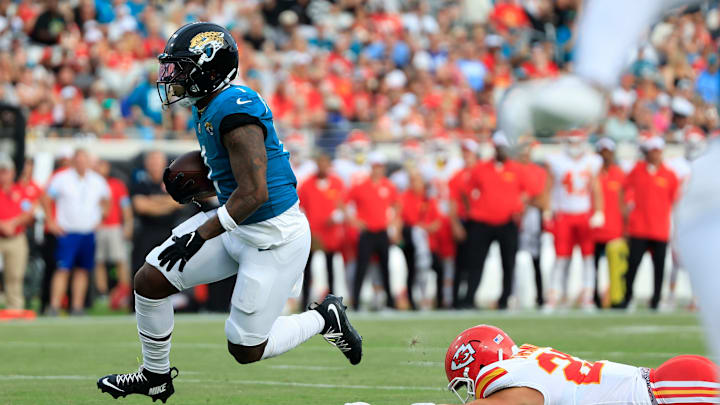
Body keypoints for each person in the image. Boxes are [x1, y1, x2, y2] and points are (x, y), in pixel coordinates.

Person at [98, 23, 362, 403]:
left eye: (182, 67)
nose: (172, 77)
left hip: (273, 238)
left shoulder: (234, 110)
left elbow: (255, 192)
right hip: (237, 224)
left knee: (245, 348)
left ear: (210, 68)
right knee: (150, 280)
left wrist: (199, 234)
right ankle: (155, 377)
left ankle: (324, 318)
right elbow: (237, 179)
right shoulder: (211, 104)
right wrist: (205, 182)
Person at [441, 324, 718, 405]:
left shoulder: (511, 380)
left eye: (465, 383)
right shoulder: (528, 358)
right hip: (671, 382)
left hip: (667, 394)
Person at [462, 132, 527, 310]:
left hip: (507, 222)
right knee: (476, 262)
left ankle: (505, 299)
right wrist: (472, 211)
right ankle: (469, 298)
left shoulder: (516, 169)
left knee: (508, 263)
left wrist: (520, 210)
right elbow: (466, 192)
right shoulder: (481, 169)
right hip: (482, 222)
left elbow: (527, 193)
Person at [44, 149, 110, 316]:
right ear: (73, 161)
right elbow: (46, 198)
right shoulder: (62, 178)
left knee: (82, 270)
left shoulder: (96, 180)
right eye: (78, 160)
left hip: (87, 232)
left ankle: (77, 306)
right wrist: (51, 221)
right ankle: (54, 305)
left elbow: (107, 199)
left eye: (84, 160)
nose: (81, 163)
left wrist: (101, 218)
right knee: (63, 269)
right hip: (68, 231)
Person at [544, 130, 604, 310]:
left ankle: (588, 296)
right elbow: (549, 186)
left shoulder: (592, 161)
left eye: (578, 142)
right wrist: (547, 209)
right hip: (563, 214)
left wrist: (599, 211)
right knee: (561, 258)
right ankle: (555, 296)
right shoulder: (556, 160)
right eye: (571, 142)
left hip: (584, 214)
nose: (575, 146)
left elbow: (596, 187)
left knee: (588, 258)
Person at [622, 137, 679, 310]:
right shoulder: (637, 171)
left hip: (660, 229)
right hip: (639, 228)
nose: (655, 154)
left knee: (659, 267)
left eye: (657, 151)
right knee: (632, 264)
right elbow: (624, 190)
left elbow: (675, 202)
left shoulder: (669, 175)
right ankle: (628, 297)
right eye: (652, 151)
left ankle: (655, 299)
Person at [346, 151, 399, 310]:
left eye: (380, 167)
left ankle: (390, 301)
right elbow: (346, 203)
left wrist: (394, 223)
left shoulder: (389, 186)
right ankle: (356, 301)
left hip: (382, 232)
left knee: (385, 268)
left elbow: (397, 205)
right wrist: (354, 221)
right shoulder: (361, 186)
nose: (378, 170)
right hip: (367, 232)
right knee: (361, 267)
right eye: (376, 167)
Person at [297, 153, 345, 309]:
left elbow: (342, 204)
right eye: (320, 163)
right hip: (313, 233)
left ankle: (333, 302)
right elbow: (300, 207)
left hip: (330, 233)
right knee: (307, 269)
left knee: (331, 267)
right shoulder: (307, 184)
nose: (323, 166)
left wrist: (336, 216)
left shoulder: (337, 183)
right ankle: (304, 302)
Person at [591, 138, 625, 308]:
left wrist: (625, 228)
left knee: (616, 268)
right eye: (602, 151)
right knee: (593, 268)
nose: (605, 155)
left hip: (614, 230)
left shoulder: (619, 174)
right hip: (594, 231)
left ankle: (615, 298)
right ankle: (595, 298)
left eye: (608, 151)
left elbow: (623, 203)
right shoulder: (591, 173)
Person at [94, 159, 133, 307]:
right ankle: (103, 293)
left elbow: (125, 206)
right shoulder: (92, 184)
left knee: (120, 260)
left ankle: (123, 291)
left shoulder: (117, 184)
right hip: (97, 227)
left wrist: (128, 224)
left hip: (114, 226)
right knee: (99, 261)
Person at [0, 155, 34, 312]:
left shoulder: (20, 190)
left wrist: (12, 223)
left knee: (15, 274)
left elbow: (29, 212)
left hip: (16, 237)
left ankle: (14, 308)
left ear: (12, 173)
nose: (3, 175)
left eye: (5, 171)